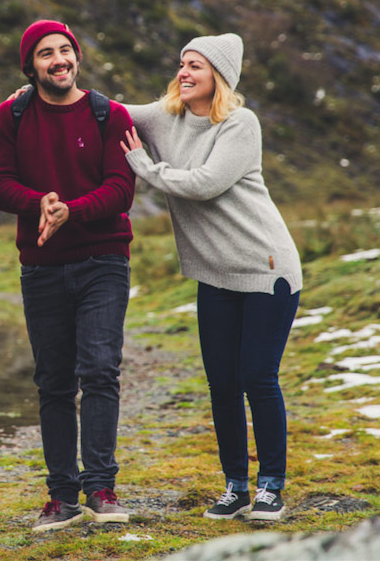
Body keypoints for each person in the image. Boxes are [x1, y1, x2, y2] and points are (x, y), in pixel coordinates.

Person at [120, 33, 302, 522]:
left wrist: (145, 167)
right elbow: (110, 110)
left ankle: (270, 488)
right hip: (215, 275)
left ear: (217, 76)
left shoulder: (240, 124)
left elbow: (204, 183)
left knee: (257, 378)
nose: (184, 72)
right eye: (181, 63)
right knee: (221, 383)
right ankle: (235, 487)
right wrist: (35, 96)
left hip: (266, 271)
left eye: (196, 66)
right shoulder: (166, 115)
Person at [0, 19, 136, 532]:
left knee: (99, 371)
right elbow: (0, 185)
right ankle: (62, 498)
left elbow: (122, 189)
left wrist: (71, 210)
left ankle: (101, 489)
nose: (59, 59)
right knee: (53, 382)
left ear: (77, 56)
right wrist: (40, 204)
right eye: (46, 53)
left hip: (104, 261)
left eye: (66, 50)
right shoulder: (12, 115)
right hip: (42, 268)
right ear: (30, 66)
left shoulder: (108, 115)